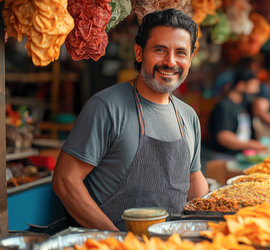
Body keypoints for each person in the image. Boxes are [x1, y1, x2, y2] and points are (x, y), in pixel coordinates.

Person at [52, 9, 209, 231]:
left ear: (190, 59)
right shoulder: (106, 107)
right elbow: (66, 181)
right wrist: (116, 239)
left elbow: (194, 179)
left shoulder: (188, 115)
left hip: (169, 245)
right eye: (160, 50)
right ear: (139, 52)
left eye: (181, 53)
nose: (170, 61)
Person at [207, 68, 267, 160]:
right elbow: (223, 137)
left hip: (242, 157)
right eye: (254, 86)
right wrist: (252, 145)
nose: (257, 91)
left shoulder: (244, 105)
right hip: (224, 159)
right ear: (241, 85)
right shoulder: (224, 106)